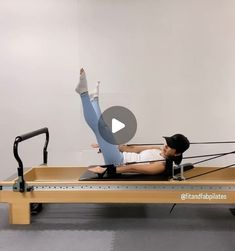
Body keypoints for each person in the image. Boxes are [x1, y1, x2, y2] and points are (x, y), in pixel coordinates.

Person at [75, 68, 190, 177]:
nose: (166, 146)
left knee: (100, 129)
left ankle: (83, 94)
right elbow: (133, 149)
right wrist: (107, 146)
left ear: (177, 153)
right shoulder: (159, 150)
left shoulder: (161, 165)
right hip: (119, 155)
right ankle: (94, 99)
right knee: (104, 127)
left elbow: (134, 168)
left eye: (170, 146)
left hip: (118, 162)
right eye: (167, 143)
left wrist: (106, 169)